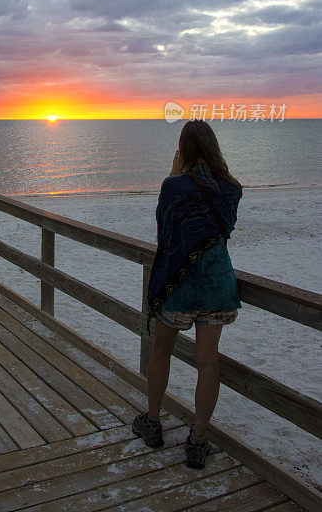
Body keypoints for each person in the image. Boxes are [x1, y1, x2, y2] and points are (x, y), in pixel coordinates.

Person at [132, 119, 243, 469]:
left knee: (161, 350)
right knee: (208, 362)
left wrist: (172, 174)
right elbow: (220, 232)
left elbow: (167, 235)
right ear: (212, 148)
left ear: (184, 148)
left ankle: (152, 422)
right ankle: (198, 439)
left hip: (180, 287)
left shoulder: (174, 187)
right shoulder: (230, 188)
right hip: (219, 285)